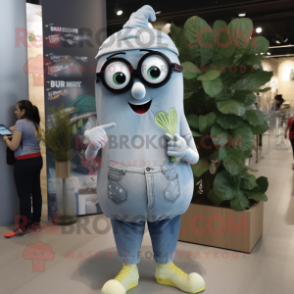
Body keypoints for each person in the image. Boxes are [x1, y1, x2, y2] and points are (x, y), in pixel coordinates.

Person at [3, 100, 43, 238]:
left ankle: (22, 228)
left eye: (17, 109)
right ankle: (36, 223)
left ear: (23, 111)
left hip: (24, 162)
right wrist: (15, 130)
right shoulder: (35, 123)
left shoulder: (21, 123)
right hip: (37, 159)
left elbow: (13, 147)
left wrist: (5, 138)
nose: (15, 112)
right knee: (36, 192)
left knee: (24, 196)